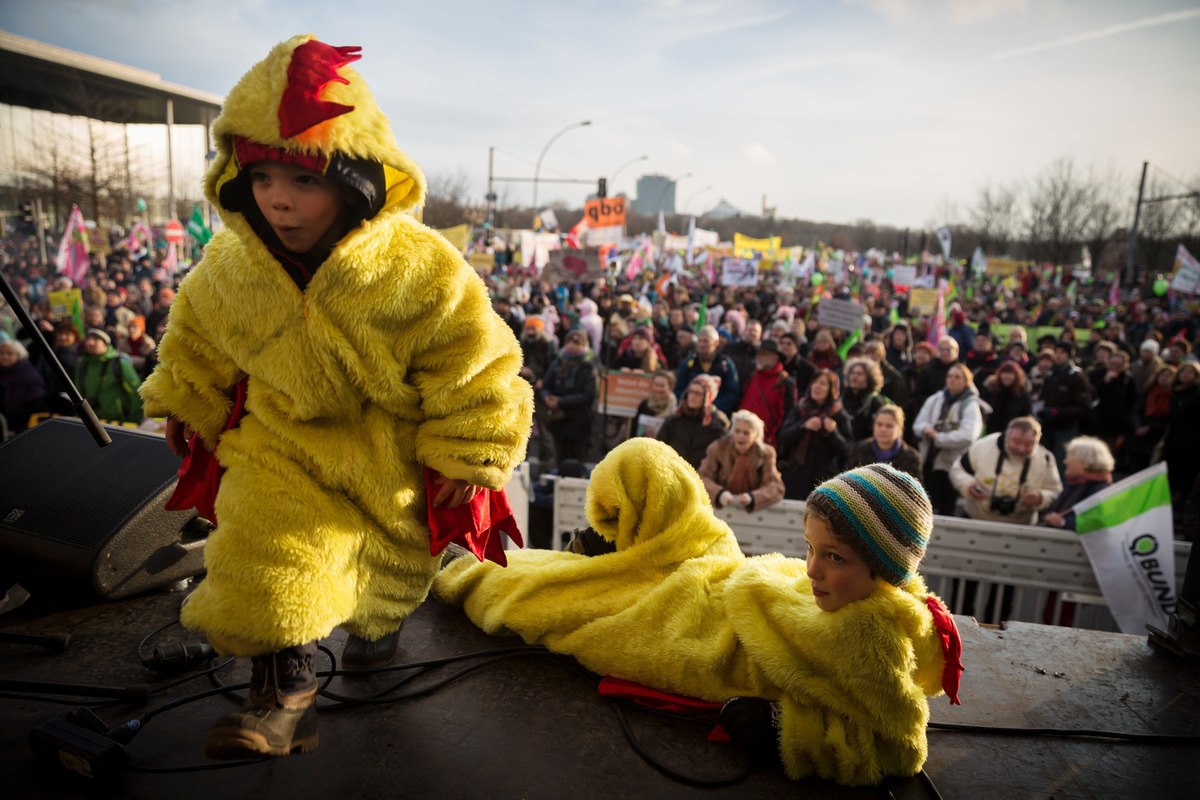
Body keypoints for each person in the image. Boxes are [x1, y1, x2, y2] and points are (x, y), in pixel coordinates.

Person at [138, 37, 532, 760]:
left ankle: (373, 632)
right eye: (262, 178)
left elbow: (476, 365)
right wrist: (185, 403)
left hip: (385, 459)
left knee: (374, 596)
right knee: (266, 554)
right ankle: (284, 697)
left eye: (303, 180)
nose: (279, 199)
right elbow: (195, 340)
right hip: (278, 443)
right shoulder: (227, 267)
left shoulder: (422, 269)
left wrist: (466, 454)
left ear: (354, 181)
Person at [434, 441, 961, 787]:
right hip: (719, 583)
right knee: (647, 465)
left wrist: (784, 728)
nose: (813, 570)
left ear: (884, 571)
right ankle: (621, 551)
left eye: (835, 558)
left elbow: (897, 747)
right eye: (811, 549)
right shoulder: (845, 593)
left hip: (699, 634)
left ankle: (470, 573)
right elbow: (774, 577)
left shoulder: (873, 640)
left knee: (576, 605)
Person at [1040, 436, 1115, 626]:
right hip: (1065, 562)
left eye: (1070, 456)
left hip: (1075, 565)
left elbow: (1098, 523)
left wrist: (1064, 523)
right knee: (1054, 614)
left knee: (1057, 616)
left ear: (1086, 461)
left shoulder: (1100, 489)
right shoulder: (1079, 484)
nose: (1065, 461)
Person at [950, 416, 1062, 525]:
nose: (1021, 448)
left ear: (1037, 442)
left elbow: (1055, 490)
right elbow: (957, 469)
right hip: (975, 519)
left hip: (1022, 527)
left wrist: (1041, 497)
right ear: (1006, 437)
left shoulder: (1045, 459)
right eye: (1016, 442)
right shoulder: (983, 446)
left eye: (1029, 444)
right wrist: (968, 485)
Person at [913, 363, 985, 516]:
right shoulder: (935, 399)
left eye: (957, 377)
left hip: (952, 463)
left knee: (947, 504)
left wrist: (939, 438)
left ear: (966, 382)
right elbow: (919, 423)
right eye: (950, 376)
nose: (952, 380)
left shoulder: (970, 404)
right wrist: (926, 430)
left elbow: (968, 435)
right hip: (929, 460)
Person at [777, 369, 851, 500]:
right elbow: (784, 437)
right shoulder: (800, 409)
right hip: (796, 477)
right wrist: (803, 426)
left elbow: (848, 449)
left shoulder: (839, 414)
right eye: (815, 382)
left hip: (824, 482)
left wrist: (833, 433)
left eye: (823, 383)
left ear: (831, 389)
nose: (817, 386)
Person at [698, 410, 785, 513]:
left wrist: (752, 498)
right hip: (719, 510)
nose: (741, 436)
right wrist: (719, 493)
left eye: (746, 433)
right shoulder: (718, 448)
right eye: (737, 431)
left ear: (755, 436)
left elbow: (776, 487)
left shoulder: (766, 453)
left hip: (753, 515)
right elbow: (701, 478)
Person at [542, 328, 597, 468]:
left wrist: (561, 402)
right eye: (570, 341)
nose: (572, 345)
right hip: (558, 421)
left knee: (577, 460)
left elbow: (588, 394)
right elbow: (546, 385)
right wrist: (547, 397)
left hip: (579, 420)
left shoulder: (588, 366)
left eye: (577, 342)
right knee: (560, 458)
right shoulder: (558, 362)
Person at [1036, 340, 1092, 469]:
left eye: (1062, 353)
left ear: (1069, 355)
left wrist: (1058, 412)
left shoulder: (1076, 376)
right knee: (1042, 462)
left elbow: (1083, 406)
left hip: (1065, 428)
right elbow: (1044, 397)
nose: (1058, 355)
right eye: (1056, 352)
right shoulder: (1052, 374)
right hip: (1047, 426)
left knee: (1060, 464)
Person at [656, 374, 730, 469]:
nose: (692, 396)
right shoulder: (674, 419)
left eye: (698, 393)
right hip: (673, 473)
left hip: (700, 476)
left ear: (707, 398)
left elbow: (720, 459)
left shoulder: (716, 425)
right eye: (691, 392)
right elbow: (658, 448)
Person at [737, 339, 796, 448]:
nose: (758, 357)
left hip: (764, 443)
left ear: (775, 357)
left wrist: (772, 439)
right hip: (741, 438)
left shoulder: (785, 382)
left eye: (763, 354)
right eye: (758, 354)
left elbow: (786, 416)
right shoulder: (752, 376)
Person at [78, 328, 143, 424]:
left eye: (96, 339)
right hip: (90, 422)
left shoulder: (119, 363)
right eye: (88, 339)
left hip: (118, 423)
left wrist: (132, 420)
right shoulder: (82, 364)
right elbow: (78, 390)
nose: (90, 343)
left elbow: (136, 394)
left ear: (106, 343)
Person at [519, 316, 559, 470]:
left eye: (533, 329)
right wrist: (522, 370)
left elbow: (554, 367)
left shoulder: (548, 345)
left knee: (544, 428)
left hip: (542, 390)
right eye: (528, 328)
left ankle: (546, 463)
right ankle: (522, 461)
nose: (530, 332)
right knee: (523, 427)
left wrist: (543, 381)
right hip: (525, 389)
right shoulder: (523, 344)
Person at [675, 325, 740, 416]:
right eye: (700, 341)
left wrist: (711, 407)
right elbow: (679, 388)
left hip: (715, 414)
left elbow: (731, 393)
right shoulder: (689, 362)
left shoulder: (725, 364)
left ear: (716, 342)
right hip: (690, 412)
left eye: (706, 341)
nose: (702, 345)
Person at [1163, 359, 1200, 518]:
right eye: (1183, 372)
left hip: (1191, 445)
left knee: (1187, 481)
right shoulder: (1176, 392)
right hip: (1174, 442)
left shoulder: (1197, 394)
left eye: (1189, 372)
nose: (1185, 375)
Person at [847, 404, 921, 478]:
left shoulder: (911, 458)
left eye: (889, 426)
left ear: (899, 428)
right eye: (879, 424)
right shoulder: (859, 451)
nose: (883, 429)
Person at [1126, 364, 1175, 473]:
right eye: (1162, 375)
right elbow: (1136, 410)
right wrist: (1138, 426)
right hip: (1139, 433)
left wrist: (1152, 428)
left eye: (1168, 376)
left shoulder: (1174, 397)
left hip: (1157, 435)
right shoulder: (1148, 391)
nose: (1164, 378)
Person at [0, 338, 48, 433]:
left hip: (21, 428)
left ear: (19, 355)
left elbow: (35, 404)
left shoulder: (29, 375)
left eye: (9, 353)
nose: (4, 357)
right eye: (1, 353)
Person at [911, 336, 959, 423]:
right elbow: (919, 395)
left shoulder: (962, 371)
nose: (945, 352)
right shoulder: (927, 370)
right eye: (942, 349)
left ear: (956, 351)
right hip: (931, 414)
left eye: (948, 349)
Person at [978, 360, 1032, 436]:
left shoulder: (1022, 393)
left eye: (1010, 374)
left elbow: (1026, 414)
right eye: (1004, 373)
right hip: (991, 432)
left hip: (1013, 433)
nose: (1007, 376)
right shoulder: (990, 389)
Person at [841, 357, 887, 442]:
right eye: (852, 373)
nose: (854, 377)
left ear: (870, 378)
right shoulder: (842, 398)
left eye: (860, 374)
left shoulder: (875, 402)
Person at [633, 369, 676, 439]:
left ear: (670, 387)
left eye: (662, 386)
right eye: (656, 385)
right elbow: (634, 429)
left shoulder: (675, 409)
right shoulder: (644, 405)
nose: (658, 389)